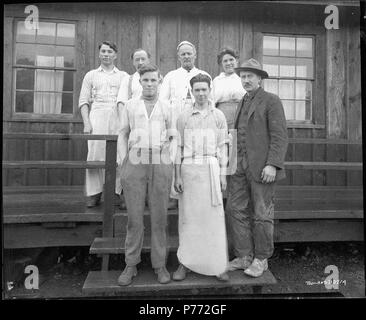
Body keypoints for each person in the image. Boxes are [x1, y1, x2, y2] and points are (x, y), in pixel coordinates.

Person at [227, 58, 288, 277]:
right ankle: (244, 256)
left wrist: (272, 164)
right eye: (243, 76)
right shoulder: (243, 100)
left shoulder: (271, 101)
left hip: (263, 167)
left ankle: (261, 260)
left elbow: (280, 136)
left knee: (262, 214)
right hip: (239, 167)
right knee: (235, 209)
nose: (246, 80)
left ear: (260, 78)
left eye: (250, 76)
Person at [117, 64, 176, 286]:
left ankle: (159, 265)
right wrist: (123, 160)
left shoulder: (168, 106)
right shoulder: (131, 106)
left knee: (159, 217)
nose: (150, 84)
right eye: (146, 80)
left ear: (159, 82)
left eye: (153, 80)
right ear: (139, 82)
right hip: (135, 159)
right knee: (134, 218)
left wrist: (168, 160)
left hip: (160, 160)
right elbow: (123, 133)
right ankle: (131, 264)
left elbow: (174, 136)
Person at [172, 73, 229, 282]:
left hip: (212, 169)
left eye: (204, 89)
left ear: (210, 89)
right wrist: (177, 175)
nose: (201, 93)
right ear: (191, 91)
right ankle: (185, 263)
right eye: (197, 90)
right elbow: (177, 147)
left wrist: (223, 175)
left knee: (213, 219)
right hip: (189, 169)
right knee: (189, 219)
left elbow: (223, 147)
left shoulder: (218, 116)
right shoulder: (183, 116)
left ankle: (217, 265)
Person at [79, 41, 128, 207]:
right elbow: (83, 101)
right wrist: (87, 123)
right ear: (99, 54)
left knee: (119, 155)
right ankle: (94, 193)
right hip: (97, 116)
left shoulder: (123, 76)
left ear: (115, 55)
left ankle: (115, 192)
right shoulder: (91, 75)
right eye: (103, 51)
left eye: (109, 51)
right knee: (94, 155)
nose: (106, 54)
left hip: (117, 116)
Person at [160, 40, 211, 115]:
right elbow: (163, 100)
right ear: (178, 57)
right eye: (183, 54)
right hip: (176, 117)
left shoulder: (204, 75)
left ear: (195, 56)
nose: (186, 56)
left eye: (189, 54)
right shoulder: (170, 76)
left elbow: (211, 100)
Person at [212, 47, 246, 130]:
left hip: (240, 115)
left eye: (231, 60)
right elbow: (211, 100)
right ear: (221, 64)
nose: (228, 63)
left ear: (236, 61)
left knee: (236, 140)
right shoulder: (217, 80)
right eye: (225, 61)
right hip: (220, 115)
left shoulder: (243, 78)